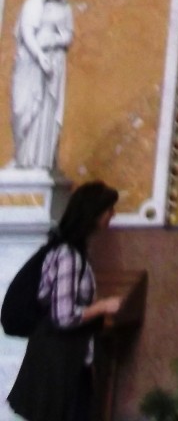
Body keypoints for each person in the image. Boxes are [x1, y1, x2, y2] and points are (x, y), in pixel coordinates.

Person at [8, 180, 122, 421]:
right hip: (57, 362)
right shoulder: (68, 255)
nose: (112, 215)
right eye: (108, 209)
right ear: (93, 213)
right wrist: (103, 306)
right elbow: (64, 316)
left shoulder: (75, 252)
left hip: (66, 360)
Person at [11, 0, 73, 172]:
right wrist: (39, 55)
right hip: (29, 64)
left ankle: (40, 159)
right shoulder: (33, 4)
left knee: (45, 108)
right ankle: (22, 157)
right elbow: (27, 33)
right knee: (22, 108)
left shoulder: (64, 10)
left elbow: (68, 35)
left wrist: (53, 40)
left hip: (53, 61)